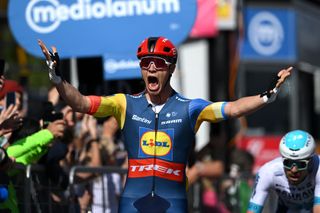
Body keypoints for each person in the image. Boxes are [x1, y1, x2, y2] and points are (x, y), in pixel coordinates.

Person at [38, 37, 292, 212]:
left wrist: (267, 95)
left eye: (158, 63)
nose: (151, 68)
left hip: (173, 201)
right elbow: (81, 103)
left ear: (169, 69)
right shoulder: (123, 103)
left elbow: (233, 108)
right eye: (145, 63)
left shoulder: (190, 108)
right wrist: (57, 78)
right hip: (132, 200)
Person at [247, 130, 320, 213]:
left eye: (301, 164)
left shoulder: (319, 168)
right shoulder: (268, 172)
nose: (294, 170)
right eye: (288, 163)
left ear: (311, 161)